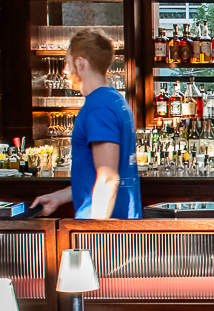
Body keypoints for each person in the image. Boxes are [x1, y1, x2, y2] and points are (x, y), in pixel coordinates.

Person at [34, 29, 141, 219]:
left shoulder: (98, 108)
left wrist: (93, 234)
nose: (65, 71)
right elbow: (100, 174)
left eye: (67, 63)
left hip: (103, 232)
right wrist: (58, 197)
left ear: (80, 63)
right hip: (120, 225)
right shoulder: (115, 100)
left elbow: (108, 178)